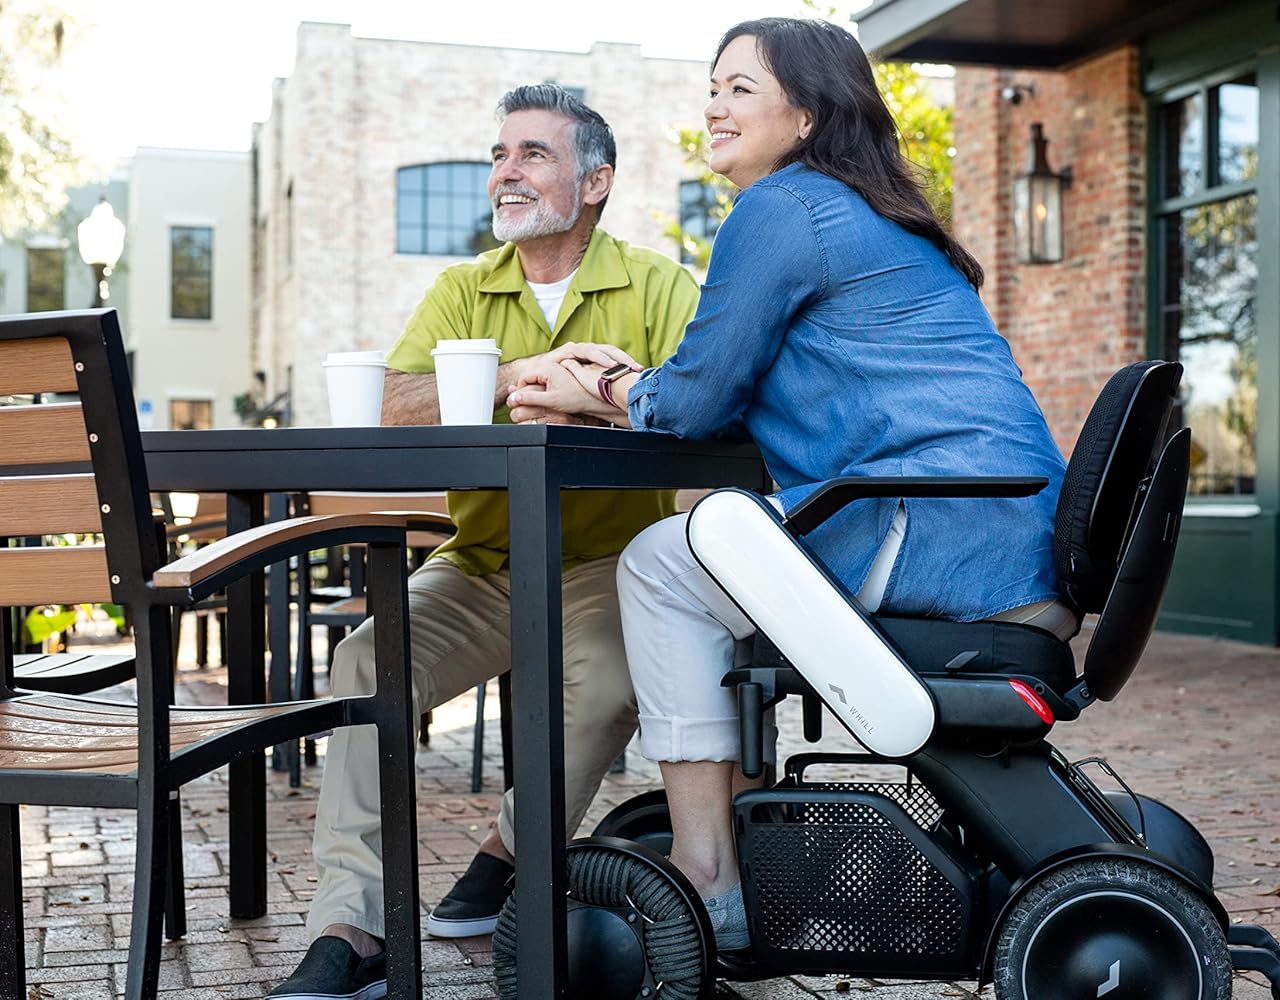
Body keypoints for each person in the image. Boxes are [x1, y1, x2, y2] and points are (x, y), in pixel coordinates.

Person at [503, 18, 1077, 951]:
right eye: (714, 86)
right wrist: (625, 391)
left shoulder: (783, 211)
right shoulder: (865, 211)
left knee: (659, 562)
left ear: (807, 115)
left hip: (935, 533)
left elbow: (690, 404)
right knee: (718, 562)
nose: (713, 107)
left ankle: (708, 873)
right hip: (994, 536)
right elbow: (723, 394)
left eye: (740, 89)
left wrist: (595, 385)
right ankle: (731, 821)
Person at [271, 84, 700, 999]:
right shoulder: (462, 288)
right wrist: (512, 377)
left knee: (613, 685)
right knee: (363, 662)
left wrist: (607, 397)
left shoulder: (660, 284)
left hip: (606, 565)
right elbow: (387, 404)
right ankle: (353, 922)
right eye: (499, 155)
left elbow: (700, 412)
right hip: (478, 565)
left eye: (533, 154)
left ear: (596, 182)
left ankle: (511, 845)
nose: (505, 172)